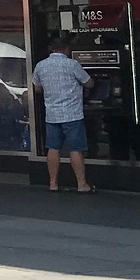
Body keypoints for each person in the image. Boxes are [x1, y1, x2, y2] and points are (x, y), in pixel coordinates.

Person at [32, 32, 95, 193]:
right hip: (72, 114)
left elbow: (37, 88)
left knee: (53, 149)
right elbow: (89, 84)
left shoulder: (40, 65)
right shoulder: (72, 64)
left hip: (52, 115)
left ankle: (53, 183)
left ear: (51, 50)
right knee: (76, 149)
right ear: (66, 49)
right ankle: (82, 185)